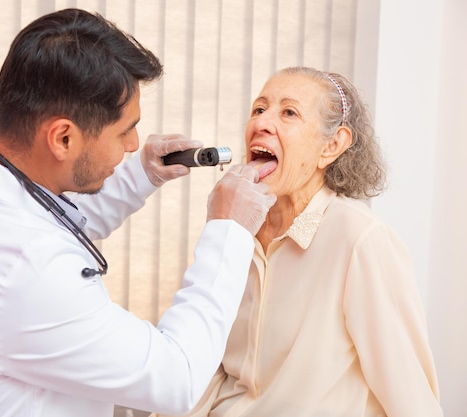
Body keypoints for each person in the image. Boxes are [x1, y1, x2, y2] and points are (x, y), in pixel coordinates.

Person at [0, 8, 278, 417]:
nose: (134, 143)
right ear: (63, 137)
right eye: (123, 131)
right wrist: (229, 229)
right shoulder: (26, 272)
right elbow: (177, 377)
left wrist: (141, 175)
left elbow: (56, 223)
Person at [155, 66, 443, 417]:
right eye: (259, 109)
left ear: (332, 146)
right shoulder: (236, 231)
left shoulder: (359, 240)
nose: (262, 122)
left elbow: (411, 396)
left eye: (288, 112)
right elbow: (212, 368)